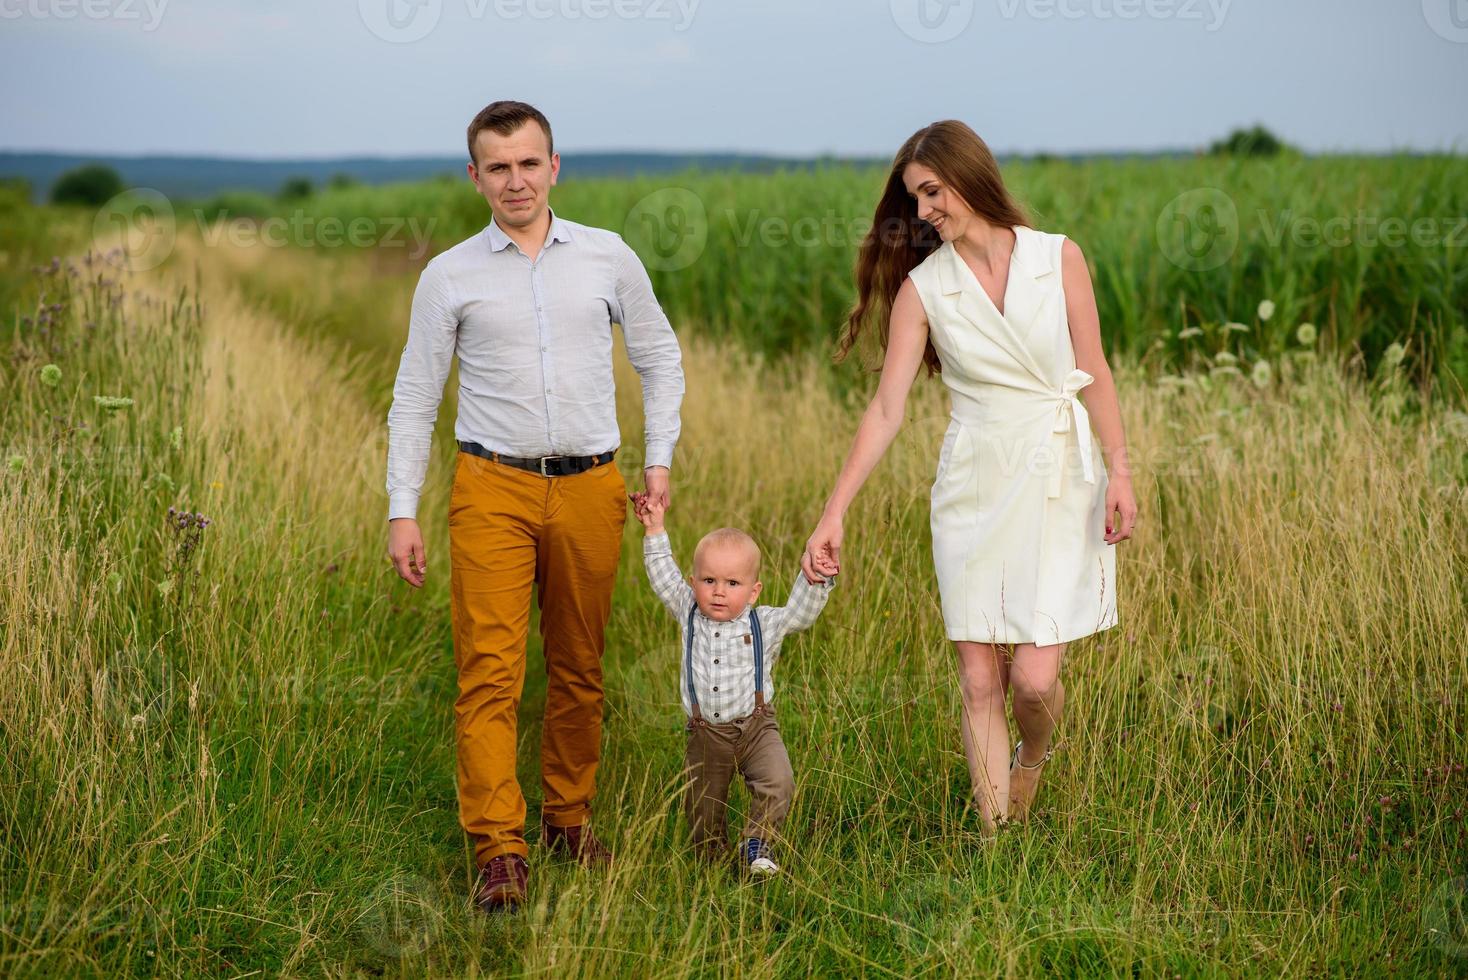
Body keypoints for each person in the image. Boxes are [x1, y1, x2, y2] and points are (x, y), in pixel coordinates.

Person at [384, 101, 685, 912]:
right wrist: (401, 508)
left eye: (528, 163)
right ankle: (498, 847)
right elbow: (415, 395)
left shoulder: (607, 257)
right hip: (492, 486)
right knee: (489, 672)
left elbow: (660, 356)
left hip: (592, 484)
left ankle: (567, 819)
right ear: (474, 176)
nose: (514, 181)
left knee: (580, 666)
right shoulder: (449, 274)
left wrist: (657, 459)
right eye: (497, 166)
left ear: (554, 167)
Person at [801, 120, 1136, 832]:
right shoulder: (926, 289)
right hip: (973, 486)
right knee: (981, 678)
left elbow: (1097, 369)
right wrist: (835, 512)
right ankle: (995, 846)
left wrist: (1120, 471)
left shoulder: (1058, 258)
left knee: (1035, 680)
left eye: (931, 192)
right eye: (913, 200)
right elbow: (888, 407)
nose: (922, 213)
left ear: (969, 175)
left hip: (1057, 475)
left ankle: (1033, 759)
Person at [630, 490, 837, 877]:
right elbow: (662, 573)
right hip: (707, 731)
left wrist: (818, 576)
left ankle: (757, 841)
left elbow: (801, 614)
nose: (719, 591)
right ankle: (713, 864)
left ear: (754, 590)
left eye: (732, 583)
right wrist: (654, 527)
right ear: (694, 583)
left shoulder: (764, 622)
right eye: (708, 580)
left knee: (778, 781)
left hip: (757, 725)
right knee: (704, 807)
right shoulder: (688, 610)